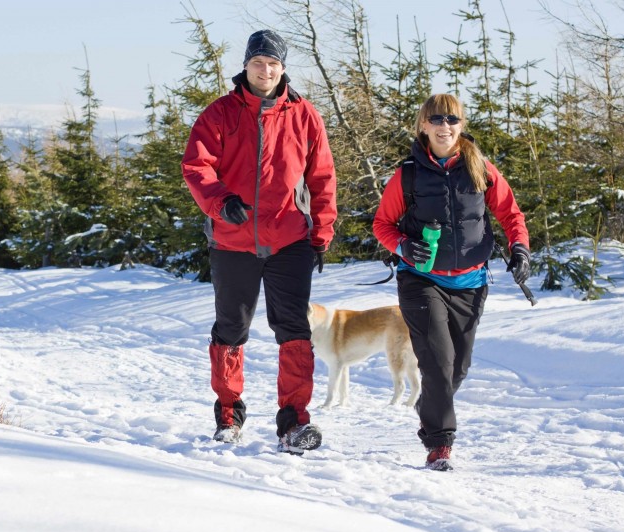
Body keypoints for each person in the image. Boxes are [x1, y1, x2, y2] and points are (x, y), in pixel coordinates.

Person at [182, 30, 338, 453]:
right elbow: (197, 165)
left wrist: (322, 231)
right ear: (246, 65)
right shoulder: (220, 113)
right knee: (231, 329)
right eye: (258, 63)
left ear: (283, 68)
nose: (265, 70)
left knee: (294, 330)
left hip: (290, 241)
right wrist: (219, 202)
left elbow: (322, 177)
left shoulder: (304, 115)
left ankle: (294, 422)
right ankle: (229, 416)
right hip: (233, 241)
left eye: (273, 63)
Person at [373, 93, 531, 470]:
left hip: (471, 282)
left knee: (458, 367)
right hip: (421, 280)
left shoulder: (480, 167)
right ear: (423, 126)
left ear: (462, 125)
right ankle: (439, 443)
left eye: (453, 120)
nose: (445, 127)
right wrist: (405, 247)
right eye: (437, 120)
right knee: (439, 363)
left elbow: (511, 214)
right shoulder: (408, 174)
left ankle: (431, 408)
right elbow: (382, 225)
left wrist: (520, 249)